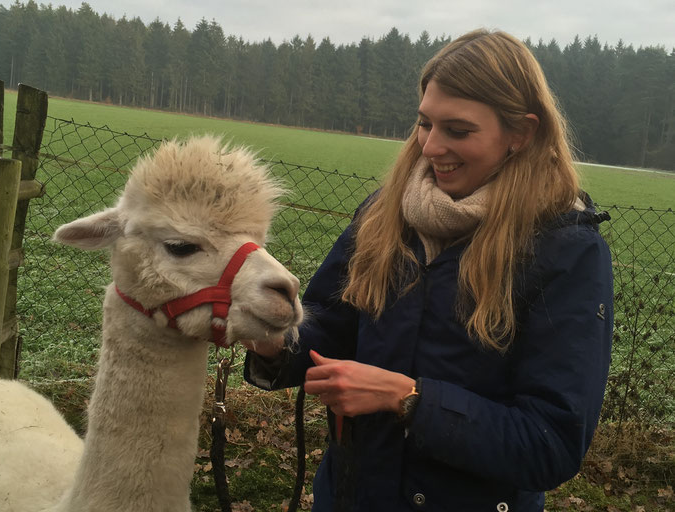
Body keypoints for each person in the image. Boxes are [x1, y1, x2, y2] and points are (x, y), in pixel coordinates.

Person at [243, 28, 613, 512]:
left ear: (520, 133)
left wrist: (409, 399)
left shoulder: (567, 250)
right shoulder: (383, 215)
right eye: (424, 124)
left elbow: (550, 445)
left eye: (457, 130)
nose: (430, 146)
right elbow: (328, 328)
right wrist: (273, 341)